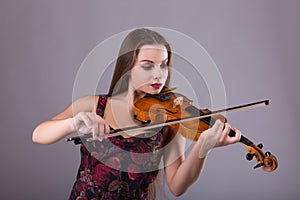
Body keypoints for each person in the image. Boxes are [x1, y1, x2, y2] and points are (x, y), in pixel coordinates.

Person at [32, 28, 241, 200]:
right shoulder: (94, 105)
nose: (159, 73)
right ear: (128, 66)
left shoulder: (170, 118)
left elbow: (177, 186)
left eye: (164, 65)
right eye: (148, 66)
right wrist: (72, 123)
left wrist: (203, 147)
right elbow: (38, 134)